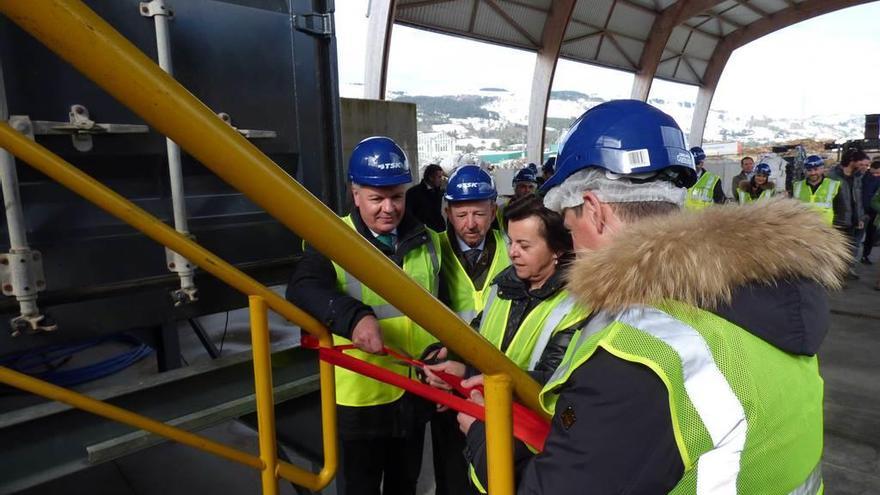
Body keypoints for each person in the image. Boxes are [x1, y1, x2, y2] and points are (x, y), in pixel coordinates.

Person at [459, 100, 848, 494]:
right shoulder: (755, 302)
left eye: (571, 229)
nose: (573, 248)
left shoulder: (643, 354)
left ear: (594, 210)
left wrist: (481, 434)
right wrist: (521, 385)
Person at [286, 136, 441, 495]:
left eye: (397, 196)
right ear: (356, 194)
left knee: (406, 483)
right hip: (360, 399)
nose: (389, 208)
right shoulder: (333, 237)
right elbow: (303, 287)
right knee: (361, 488)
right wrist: (354, 317)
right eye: (377, 198)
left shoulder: (427, 241)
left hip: (414, 392)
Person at [430, 165, 510, 495]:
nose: (471, 224)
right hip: (448, 381)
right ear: (448, 212)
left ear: (494, 210)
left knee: (499, 470)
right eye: (461, 214)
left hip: (499, 379)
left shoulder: (514, 250)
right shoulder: (431, 251)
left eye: (479, 213)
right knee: (451, 473)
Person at [828, 149, 868, 279]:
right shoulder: (832, 176)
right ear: (852, 161)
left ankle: (845, 272)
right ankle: (834, 275)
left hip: (853, 219)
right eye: (862, 164)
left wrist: (860, 217)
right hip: (837, 219)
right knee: (835, 249)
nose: (865, 167)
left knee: (850, 248)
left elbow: (858, 198)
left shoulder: (857, 177)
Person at [793, 155, 841, 226]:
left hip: (825, 231)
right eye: (809, 170)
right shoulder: (797, 186)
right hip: (803, 230)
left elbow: (840, 211)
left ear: (822, 169)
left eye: (816, 169)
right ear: (805, 171)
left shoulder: (833, 185)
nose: (813, 173)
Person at [405, 163, 446, 232]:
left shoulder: (438, 192)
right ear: (431, 178)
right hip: (420, 234)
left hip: (438, 232)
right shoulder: (413, 193)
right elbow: (408, 215)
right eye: (439, 177)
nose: (441, 180)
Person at [861, 161, 880, 264]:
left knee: (871, 236)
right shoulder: (863, 177)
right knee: (858, 236)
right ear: (871, 169)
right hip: (863, 212)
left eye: (879, 173)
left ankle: (865, 256)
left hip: (874, 213)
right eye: (875, 173)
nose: (876, 175)